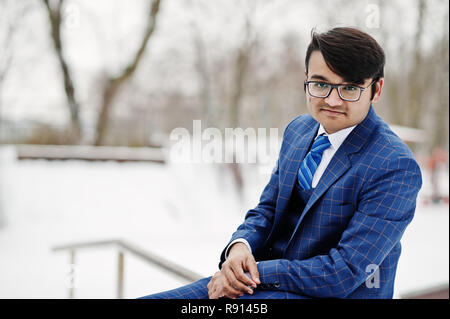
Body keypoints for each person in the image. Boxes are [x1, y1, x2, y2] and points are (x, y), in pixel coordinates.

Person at [139, 27, 422, 299]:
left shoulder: (394, 166)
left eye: (349, 88)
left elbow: (344, 271)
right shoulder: (299, 130)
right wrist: (239, 250)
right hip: (265, 281)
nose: (332, 100)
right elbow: (268, 209)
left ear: (376, 89)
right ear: (306, 79)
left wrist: (255, 271)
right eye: (321, 84)